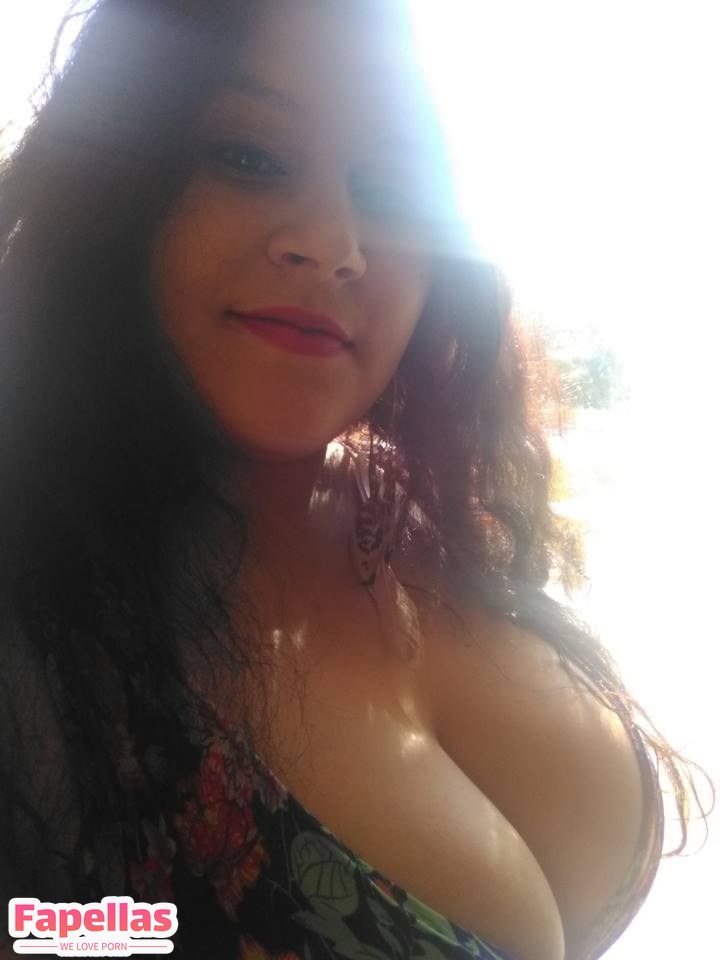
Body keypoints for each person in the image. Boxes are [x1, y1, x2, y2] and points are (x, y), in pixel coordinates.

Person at [0, 1, 711, 959]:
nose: (334, 243)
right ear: (114, 173)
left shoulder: (428, 506)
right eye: (250, 156)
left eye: (386, 187)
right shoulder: (37, 613)